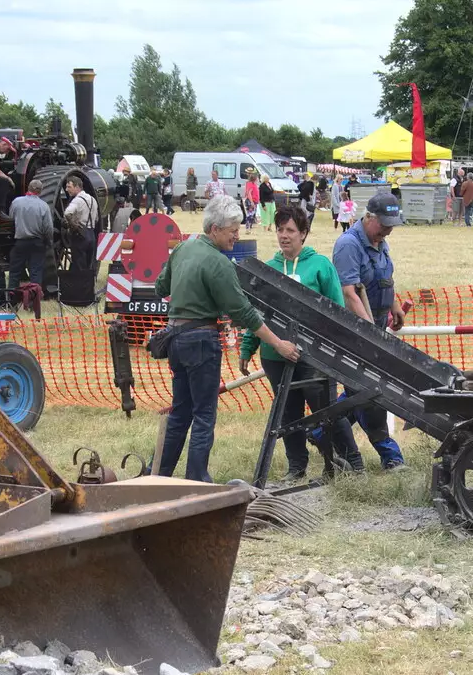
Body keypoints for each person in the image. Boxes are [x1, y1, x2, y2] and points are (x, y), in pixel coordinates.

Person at [155, 194, 299, 482]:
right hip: (201, 342)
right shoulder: (219, 263)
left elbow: (161, 287)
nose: (237, 235)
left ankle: (158, 476)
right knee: (204, 415)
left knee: (181, 412)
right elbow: (244, 312)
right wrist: (278, 343)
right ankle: (197, 481)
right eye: (233, 229)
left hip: (176, 339)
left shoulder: (183, 248)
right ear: (214, 229)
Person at [239, 204, 364, 480]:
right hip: (275, 355)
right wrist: (248, 348)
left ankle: (352, 461)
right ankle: (296, 467)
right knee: (287, 413)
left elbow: (337, 311)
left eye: (291, 230)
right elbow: (256, 313)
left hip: (314, 356)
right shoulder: (268, 269)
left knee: (326, 409)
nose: (284, 235)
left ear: (303, 234)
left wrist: (336, 349)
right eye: (280, 229)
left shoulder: (320, 266)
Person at [331, 192, 407, 469]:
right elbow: (349, 293)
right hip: (356, 330)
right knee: (371, 390)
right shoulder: (348, 245)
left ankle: (319, 432)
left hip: (376, 322)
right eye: (384, 223)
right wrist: (369, 333)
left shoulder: (380, 242)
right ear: (369, 217)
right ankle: (391, 455)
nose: (388, 229)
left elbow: (385, 278)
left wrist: (394, 306)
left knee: (355, 392)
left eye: (392, 224)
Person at [7, 181, 53, 292]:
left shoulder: (17, 202)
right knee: (36, 272)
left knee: (14, 271)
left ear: (28, 188)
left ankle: (12, 299)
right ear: (40, 191)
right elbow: (48, 228)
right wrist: (48, 241)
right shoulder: (44, 206)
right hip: (37, 242)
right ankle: (34, 301)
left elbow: (10, 219)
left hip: (20, 242)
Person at [61, 176, 99, 272]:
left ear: (77, 186)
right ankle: (88, 285)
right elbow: (97, 218)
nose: (67, 189)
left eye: (69, 187)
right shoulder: (92, 199)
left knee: (79, 266)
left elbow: (67, 213)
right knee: (88, 265)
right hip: (91, 235)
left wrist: (73, 225)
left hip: (80, 235)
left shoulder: (77, 200)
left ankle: (78, 285)